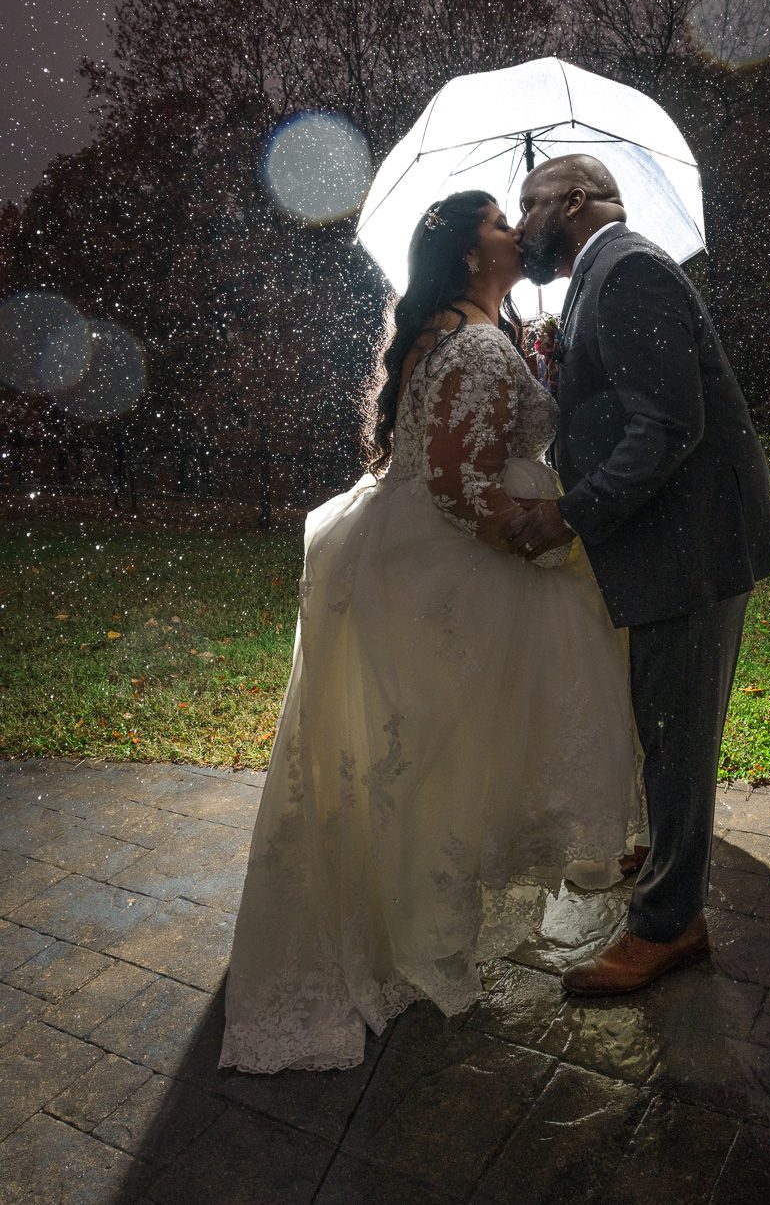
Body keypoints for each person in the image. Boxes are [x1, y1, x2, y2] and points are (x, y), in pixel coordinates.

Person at [219, 189, 644, 1073]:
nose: (515, 232)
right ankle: (422, 930)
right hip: (465, 574)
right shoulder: (474, 341)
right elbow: (456, 484)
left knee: (420, 763)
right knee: (446, 765)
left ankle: (412, 919)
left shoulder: (459, 330)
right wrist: (531, 538)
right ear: (468, 254)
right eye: (499, 223)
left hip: (411, 561)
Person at [508, 155, 770, 996]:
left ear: (577, 201)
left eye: (531, 205)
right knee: (663, 722)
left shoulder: (627, 271)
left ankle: (669, 926)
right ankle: (667, 866)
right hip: (671, 542)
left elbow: (667, 425)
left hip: (691, 546)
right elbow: (623, 404)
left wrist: (568, 512)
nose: (522, 226)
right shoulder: (604, 275)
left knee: (677, 736)